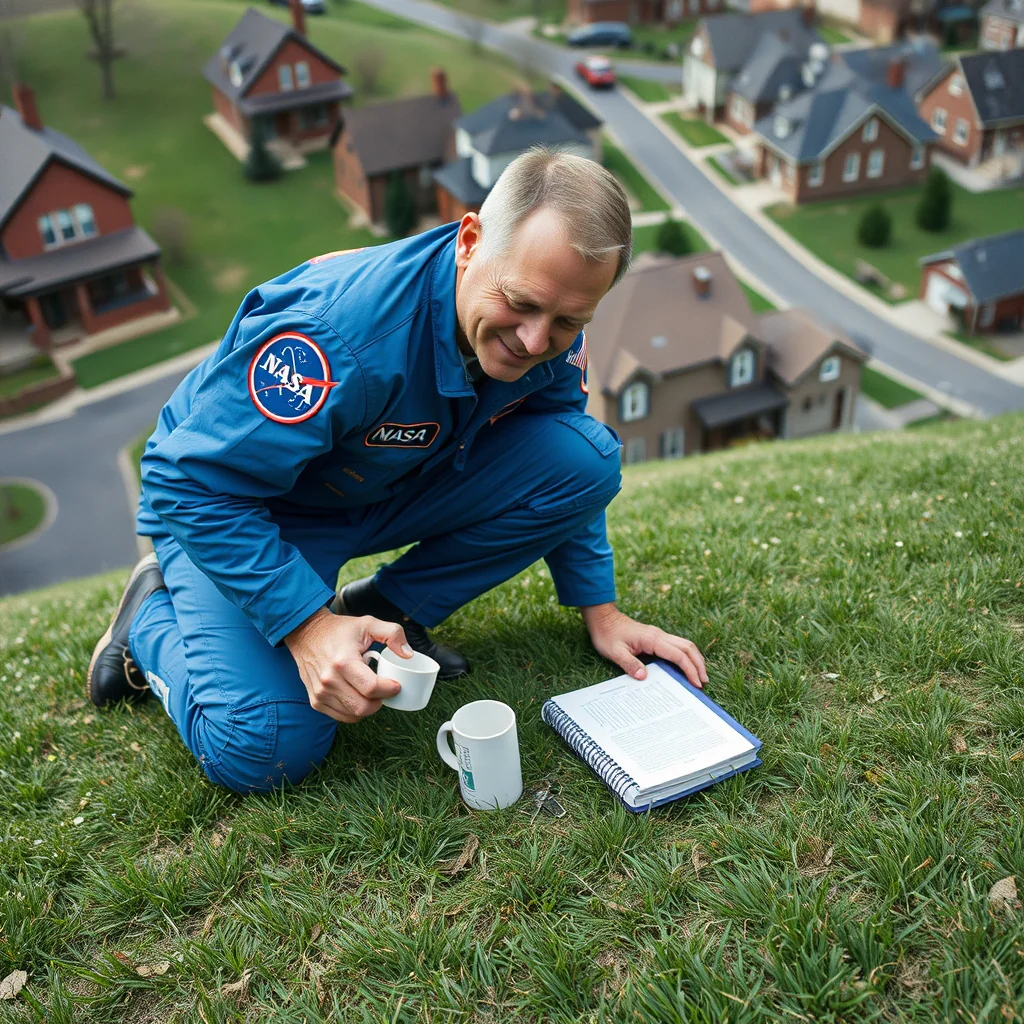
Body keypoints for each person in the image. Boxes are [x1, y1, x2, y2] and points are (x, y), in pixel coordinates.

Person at [87, 148, 709, 794]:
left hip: (382, 483)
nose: (534, 341)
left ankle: (387, 612)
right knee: (266, 747)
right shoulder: (336, 335)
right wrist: (307, 626)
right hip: (245, 505)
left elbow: (560, 446)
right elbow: (186, 480)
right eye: (522, 303)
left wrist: (600, 610)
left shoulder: (548, 317)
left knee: (586, 460)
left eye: (568, 321)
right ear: (470, 242)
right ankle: (148, 623)